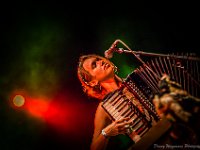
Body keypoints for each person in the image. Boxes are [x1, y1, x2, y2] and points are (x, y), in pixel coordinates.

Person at [77, 54, 158, 150]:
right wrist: (107, 132)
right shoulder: (105, 107)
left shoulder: (137, 79)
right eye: (94, 65)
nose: (101, 62)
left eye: (98, 59)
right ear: (93, 82)